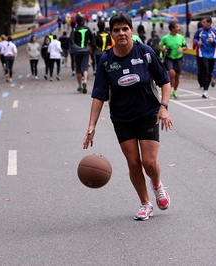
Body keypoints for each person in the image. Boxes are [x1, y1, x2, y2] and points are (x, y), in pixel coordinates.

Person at [83, 12, 173, 221]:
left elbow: (165, 81)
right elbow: (99, 95)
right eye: (117, 30)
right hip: (122, 118)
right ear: (111, 34)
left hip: (148, 113)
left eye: (125, 29)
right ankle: (145, 203)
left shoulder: (146, 53)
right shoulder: (106, 61)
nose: (121, 33)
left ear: (131, 31)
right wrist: (91, 125)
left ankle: (157, 185)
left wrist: (164, 107)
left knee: (149, 163)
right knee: (133, 163)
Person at [193, 16, 216, 98]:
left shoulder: (215, 31)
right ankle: (204, 91)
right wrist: (197, 43)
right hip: (202, 53)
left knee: (209, 73)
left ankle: (207, 89)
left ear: (209, 23)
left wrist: (214, 41)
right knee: (205, 71)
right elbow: (195, 38)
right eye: (202, 22)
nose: (203, 24)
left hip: (212, 54)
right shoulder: (200, 31)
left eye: (204, 22)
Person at [158, 21, 187, 99]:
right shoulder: (166, 38)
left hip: (179, 58)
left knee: (177, 76)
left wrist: (182, 49)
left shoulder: (181, 37)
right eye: (177, 27)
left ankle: (175, 90)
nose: (179, 28)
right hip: (169, 58)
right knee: (172, 73)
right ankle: (170, 89)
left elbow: (185, 47)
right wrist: (164, 50)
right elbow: (159, 46)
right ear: (172, 28)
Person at [70, 14, 92, 93]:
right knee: (85, 67)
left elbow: (71, 40)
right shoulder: (87, 29)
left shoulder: (74, 29)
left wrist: (74, 47)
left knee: (78, 69)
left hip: (77, 51)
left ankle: (80, 85)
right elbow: (91, 40)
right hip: (86, 50)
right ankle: (85, 80)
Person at [193, 21, 204, 90]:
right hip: (203, 53)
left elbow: (194, 45)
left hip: (199, 53)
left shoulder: (197, 34)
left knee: (200, 68)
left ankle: (201, 83)